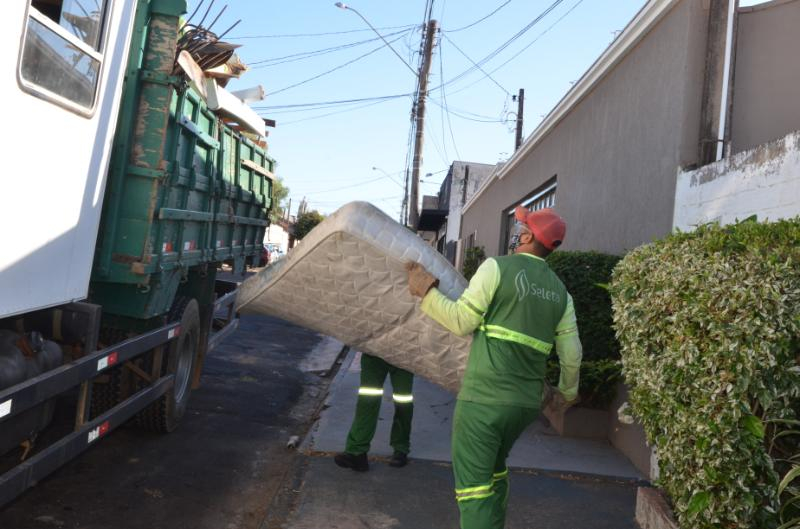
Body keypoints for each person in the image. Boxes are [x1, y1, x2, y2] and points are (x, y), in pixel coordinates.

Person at [406, 207, 582, 529]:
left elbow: (461, 321)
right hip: (525, 405)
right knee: (495, 472)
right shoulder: (562, 294)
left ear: (527, 237)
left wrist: (426, 293)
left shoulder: (496, 268)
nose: (516, 232)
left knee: (473, 490)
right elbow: (572, 355)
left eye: (521, 227)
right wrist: (566, 395)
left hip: (483, 402)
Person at [334, 353, 414, 471]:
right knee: (367, 402)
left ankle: (401, 449)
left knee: (403, 402)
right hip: (374, 354)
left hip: (404, 355)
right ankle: (357, 453)